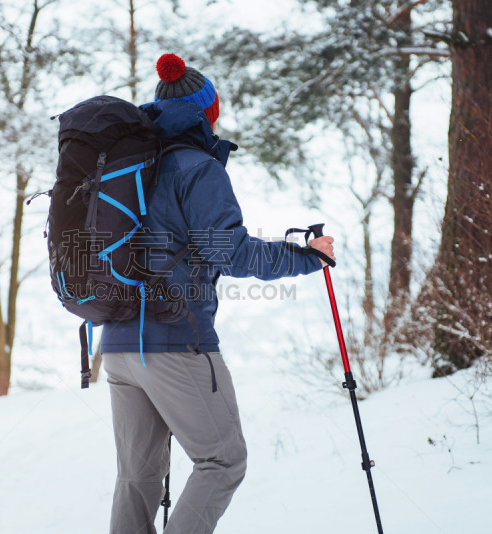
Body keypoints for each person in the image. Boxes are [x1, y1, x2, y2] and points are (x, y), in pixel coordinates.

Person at [99, 53, 335, 534]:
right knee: (222, 462)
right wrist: (307, 256)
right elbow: (234, 254)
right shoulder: (194, 168)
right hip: (175, 343)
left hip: (118, 345)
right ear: (209, 111)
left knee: (136, 478)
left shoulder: (130, 168)